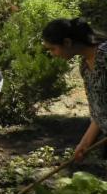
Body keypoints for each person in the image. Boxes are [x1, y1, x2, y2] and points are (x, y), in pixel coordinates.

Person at [42, 18, 106, 162]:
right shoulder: (85, 66)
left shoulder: (104, 55)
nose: (52, 54)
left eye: (53, 48)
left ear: (67, 43)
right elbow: (100, 112)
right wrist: (85, 143)